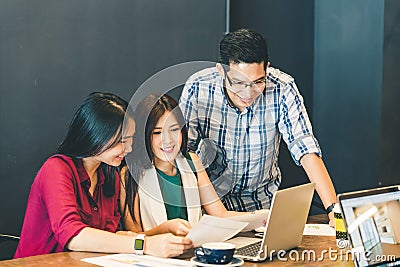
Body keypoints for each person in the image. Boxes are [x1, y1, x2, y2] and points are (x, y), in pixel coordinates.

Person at [179, 28, 337, 225]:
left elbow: (305, 149)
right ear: (221, 70)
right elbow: (185, 153)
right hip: (210, 211)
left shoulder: (282, 87)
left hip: (262, 212)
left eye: (258, 82)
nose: (248, 93)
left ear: (267, 68)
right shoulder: (198, 87)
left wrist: (334, 210)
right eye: (238, 82)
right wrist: (213, 212)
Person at [15, 92, 192, 259]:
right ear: (97, 135)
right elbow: (74, 236)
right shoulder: (56, 169)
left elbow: (113, 237)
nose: (129, 148)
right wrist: (145, 245)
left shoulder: (108, 175)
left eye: (130, 139)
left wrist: (163, 230)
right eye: (122, 141)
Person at [120, 94, 266, 233]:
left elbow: (220, 214)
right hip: (156, 256)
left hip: (194, 251)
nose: (168, 140)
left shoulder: (192, 162)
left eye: (174, 129)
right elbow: (135, 237)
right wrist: (166, 229)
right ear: (144, 135)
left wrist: (261, 217)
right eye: (157, 133)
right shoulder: (130, 173)